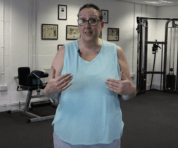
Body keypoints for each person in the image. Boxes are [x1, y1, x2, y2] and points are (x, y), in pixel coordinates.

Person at [44, 3, 136, 148]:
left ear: (101, 24)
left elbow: (128, 94)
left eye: (92, 20)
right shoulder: (64, 52)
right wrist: (50, 90)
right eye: (82, 20)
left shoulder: (116, 52)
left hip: (106, 134)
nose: (87, 25)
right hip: (68, 134)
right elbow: (52, 95)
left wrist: (129, 91)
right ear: (78, 25)